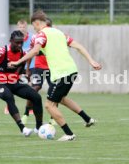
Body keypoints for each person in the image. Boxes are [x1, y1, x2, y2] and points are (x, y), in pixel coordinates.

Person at [9, 11, 102, 141]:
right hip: (71, 70)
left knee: (49, 105)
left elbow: (35, 50)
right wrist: (91, 61)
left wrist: (18, 62)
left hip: (61, 73)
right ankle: (87, 119)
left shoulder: (40, 35)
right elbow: (78, 46)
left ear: (37, 23)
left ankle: (69, 134)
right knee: (61, 99)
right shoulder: (59, 33)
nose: (34, 29)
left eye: (33, 26)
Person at [21, 17, 57, 125]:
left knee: (54, 91)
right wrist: (27, 69)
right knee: (34, 89)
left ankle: (53, 117)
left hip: (52, 68)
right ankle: (26, 113)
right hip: (39, 67)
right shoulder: (36, 38)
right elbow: (32, 53)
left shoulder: (56, 37)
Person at [4, 19, 35, 115]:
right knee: (12, 85)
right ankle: (9, 106)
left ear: (27, 27)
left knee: (32, 88)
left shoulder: (33, 38)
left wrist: (28, 68)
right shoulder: (15, 38)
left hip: (31, 66)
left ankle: (30, 108)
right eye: (20, 27)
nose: (22, 29)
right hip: (17, 66)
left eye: (23, 27)